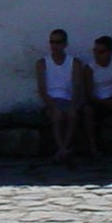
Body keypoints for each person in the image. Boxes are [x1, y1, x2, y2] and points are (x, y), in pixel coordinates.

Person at [36, 28, 84, 162]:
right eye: (52, 42)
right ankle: (63, 149)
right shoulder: (42, 63)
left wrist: (73, 104)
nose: (54, 45)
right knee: (57, 115)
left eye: (58, 42)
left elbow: (77, 87)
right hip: (51, 100)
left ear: (65, 44)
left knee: (72, 115)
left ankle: (63, 148)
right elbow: (42, 90)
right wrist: (53, 105)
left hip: (68, 99)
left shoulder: (75, 63)